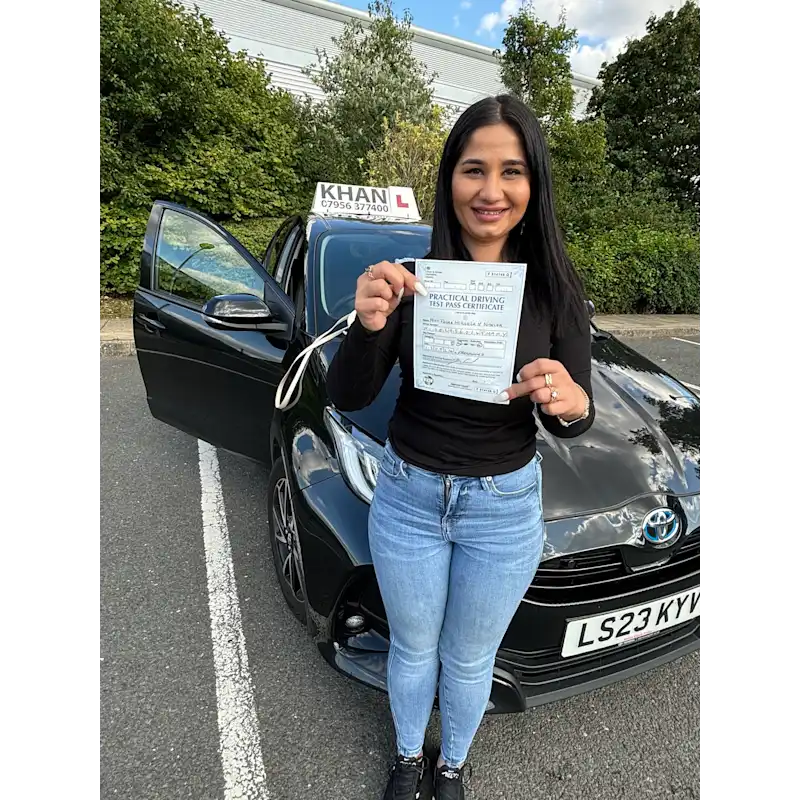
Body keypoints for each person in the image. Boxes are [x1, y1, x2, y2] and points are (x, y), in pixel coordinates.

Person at [325, 94, 595, 800]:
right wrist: (367, 323)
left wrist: (573, 402)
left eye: (511, 171)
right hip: (410, 496)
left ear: (532, 185)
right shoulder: (410, 283)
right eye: (474, 169)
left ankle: (452, 767)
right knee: (414, 648)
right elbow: (349, 394)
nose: (492, 190)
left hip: (503, 508)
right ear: (450, 179)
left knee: (470, 657)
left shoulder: (557, 293)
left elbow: (572, 418)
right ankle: (409, 758)